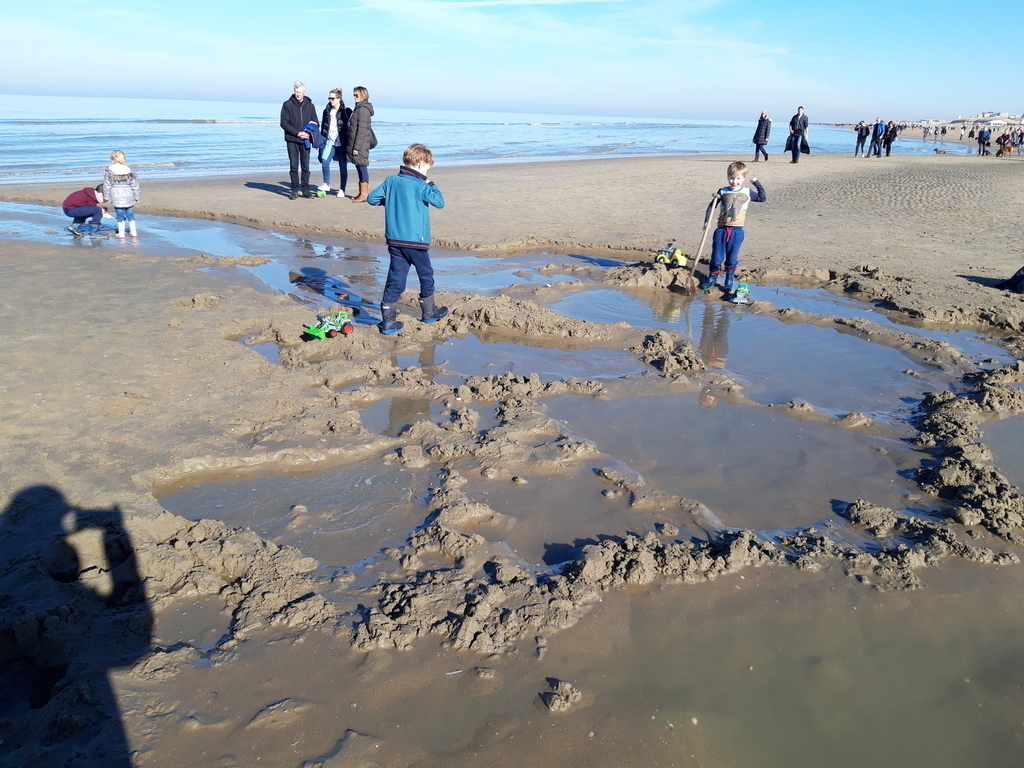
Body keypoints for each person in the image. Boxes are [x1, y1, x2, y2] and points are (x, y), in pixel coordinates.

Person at [367, 143, 447, 334]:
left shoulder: (391, 181)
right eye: (427, 167)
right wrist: (431, 183)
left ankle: (388, 322)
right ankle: (429, 312)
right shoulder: (421, 184)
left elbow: (371, 198)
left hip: (395, 241)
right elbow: (440, 201)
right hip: (416, 241)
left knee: (396, 277)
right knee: (426, 275)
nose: (428, 171)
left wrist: (391, 202)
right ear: (420, 163)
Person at [697, 161, 767, 298]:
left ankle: (729, 280)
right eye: (732, 178)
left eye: (738, 178)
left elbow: (762, 198)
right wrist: (707, 222)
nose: (734, 181)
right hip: (721, 230)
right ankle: (712, 278)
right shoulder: (722, 191)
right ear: (728, 177)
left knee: (732, 257)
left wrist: (757, 183)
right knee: (716, 257)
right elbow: (711, 207)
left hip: (737, 231)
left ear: (743, 179)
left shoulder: (747, 192)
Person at [280, 81, 318, 199]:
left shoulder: (310, 106)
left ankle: (306, 190)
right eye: (296, 92)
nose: (298, 94)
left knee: (305, 166)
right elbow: (284, 123)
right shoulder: (287, 104)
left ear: (304, 92)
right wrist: (297, 133)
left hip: (306, 140)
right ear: (294, 91)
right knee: (294, 166)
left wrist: (308, 133)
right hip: (292, 139)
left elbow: (315, 122)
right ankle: (294, 190)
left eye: (300, 92)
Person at [318, 88, 351, 198]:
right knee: (324, 161)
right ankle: (326, 184)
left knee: (342, 166)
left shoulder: (346, 111)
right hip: (330, 141)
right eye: (329, 98)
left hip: (342, 142)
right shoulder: (326, 111)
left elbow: (351, 128)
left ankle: (342, 189)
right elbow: (323, 128)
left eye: (332, 98)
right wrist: (320, 144)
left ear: (339, 99)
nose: (330, 100)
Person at [102, 150, 141, 238]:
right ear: (123, 159)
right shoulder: (128, 170)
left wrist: (106, 197)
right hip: (129, 194)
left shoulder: (109, 171)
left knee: (120, 215)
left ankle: (121, 233)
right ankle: (134, 232)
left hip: (116, 195)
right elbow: (135, 185)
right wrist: (137, 196)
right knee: (130, 214)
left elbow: (106, 186)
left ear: (112, 160)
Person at [347, 86, 375, 203]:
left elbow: (362, 131)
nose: (354, 97)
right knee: (359, 166)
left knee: (362, 166)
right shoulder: (358, 109)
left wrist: (356, 148)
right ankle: (361, 193)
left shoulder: (363, 110)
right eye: (354, 95)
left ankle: (364, 194)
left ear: (362, 95)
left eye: (356, 95)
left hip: (361, 145)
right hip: (359, 144)